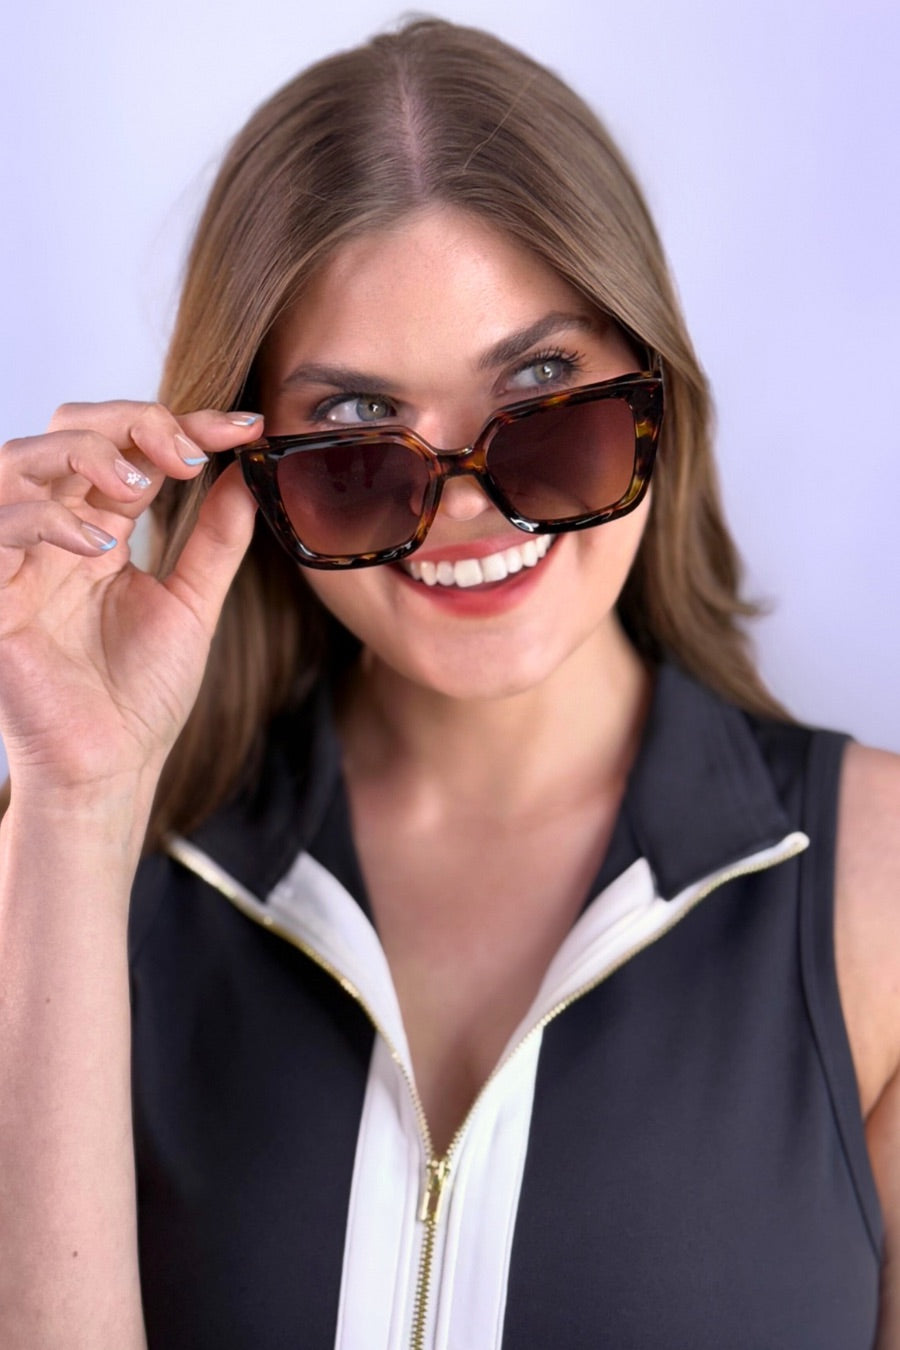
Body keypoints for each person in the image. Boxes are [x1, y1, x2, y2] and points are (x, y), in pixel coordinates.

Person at [0, 17, 897, 1349]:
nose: (468, 508)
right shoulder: (76, 885)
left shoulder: (881, 888)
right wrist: (73, 812)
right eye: (358, 433)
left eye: (541, 387)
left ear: (653, 387)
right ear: (245, 469)